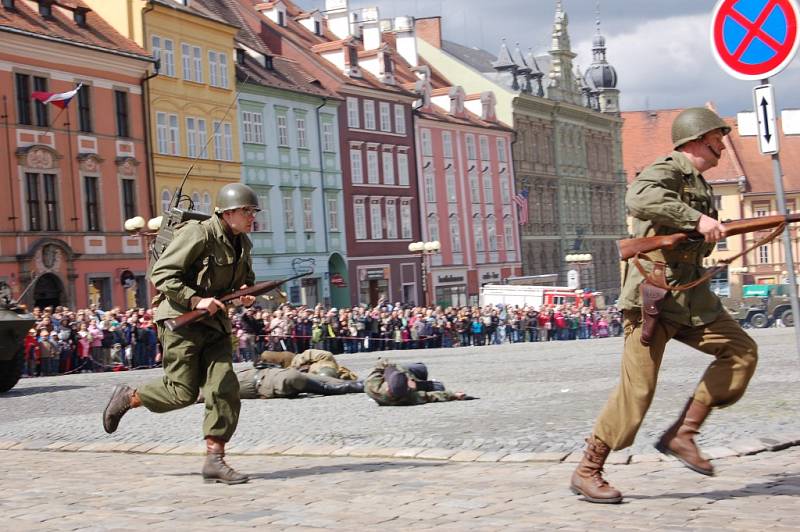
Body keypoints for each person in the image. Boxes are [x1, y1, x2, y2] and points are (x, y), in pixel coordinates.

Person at [570, 108, 758, 504]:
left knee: (740, 352)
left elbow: (695, 238)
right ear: (697, 140)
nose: (722, 145)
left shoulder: (702, 185)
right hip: (652, 299)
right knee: (638, 390)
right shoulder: (667, 169)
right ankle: (588, 469)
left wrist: (704, 231)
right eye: (717, 138)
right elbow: (638, 197)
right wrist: (695, 219)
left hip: (692, 297)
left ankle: (683, 434)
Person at [102, 183, 261, 485]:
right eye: (247, 211)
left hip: (215, 325)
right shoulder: (198, 233)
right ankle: (129, 397)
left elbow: (244, 281)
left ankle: (215, 459)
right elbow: (162, 273)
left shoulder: (243, 243)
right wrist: (194, 299)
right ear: (228, 212)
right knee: (181, 392)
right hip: (181, 321)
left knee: (224, 386)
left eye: (253, 211)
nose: (252, 216)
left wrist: (244, 294)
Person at [221, 364, 363, 400]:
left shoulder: (225, 382)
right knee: (324, 383)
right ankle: (360, 385)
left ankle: (361, 386)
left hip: (279, 380)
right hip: (280, 377)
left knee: (324, 385)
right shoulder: (232, 377)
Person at [365, 359, 474, 406]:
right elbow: (431, 396)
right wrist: (454, 395)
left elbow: (381, 362)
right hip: (411, 375)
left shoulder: (372, 385)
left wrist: (393, 369)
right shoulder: (408, 396)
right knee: (421, 368)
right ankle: (419, 378)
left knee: (410, 368)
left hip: (397, 376)